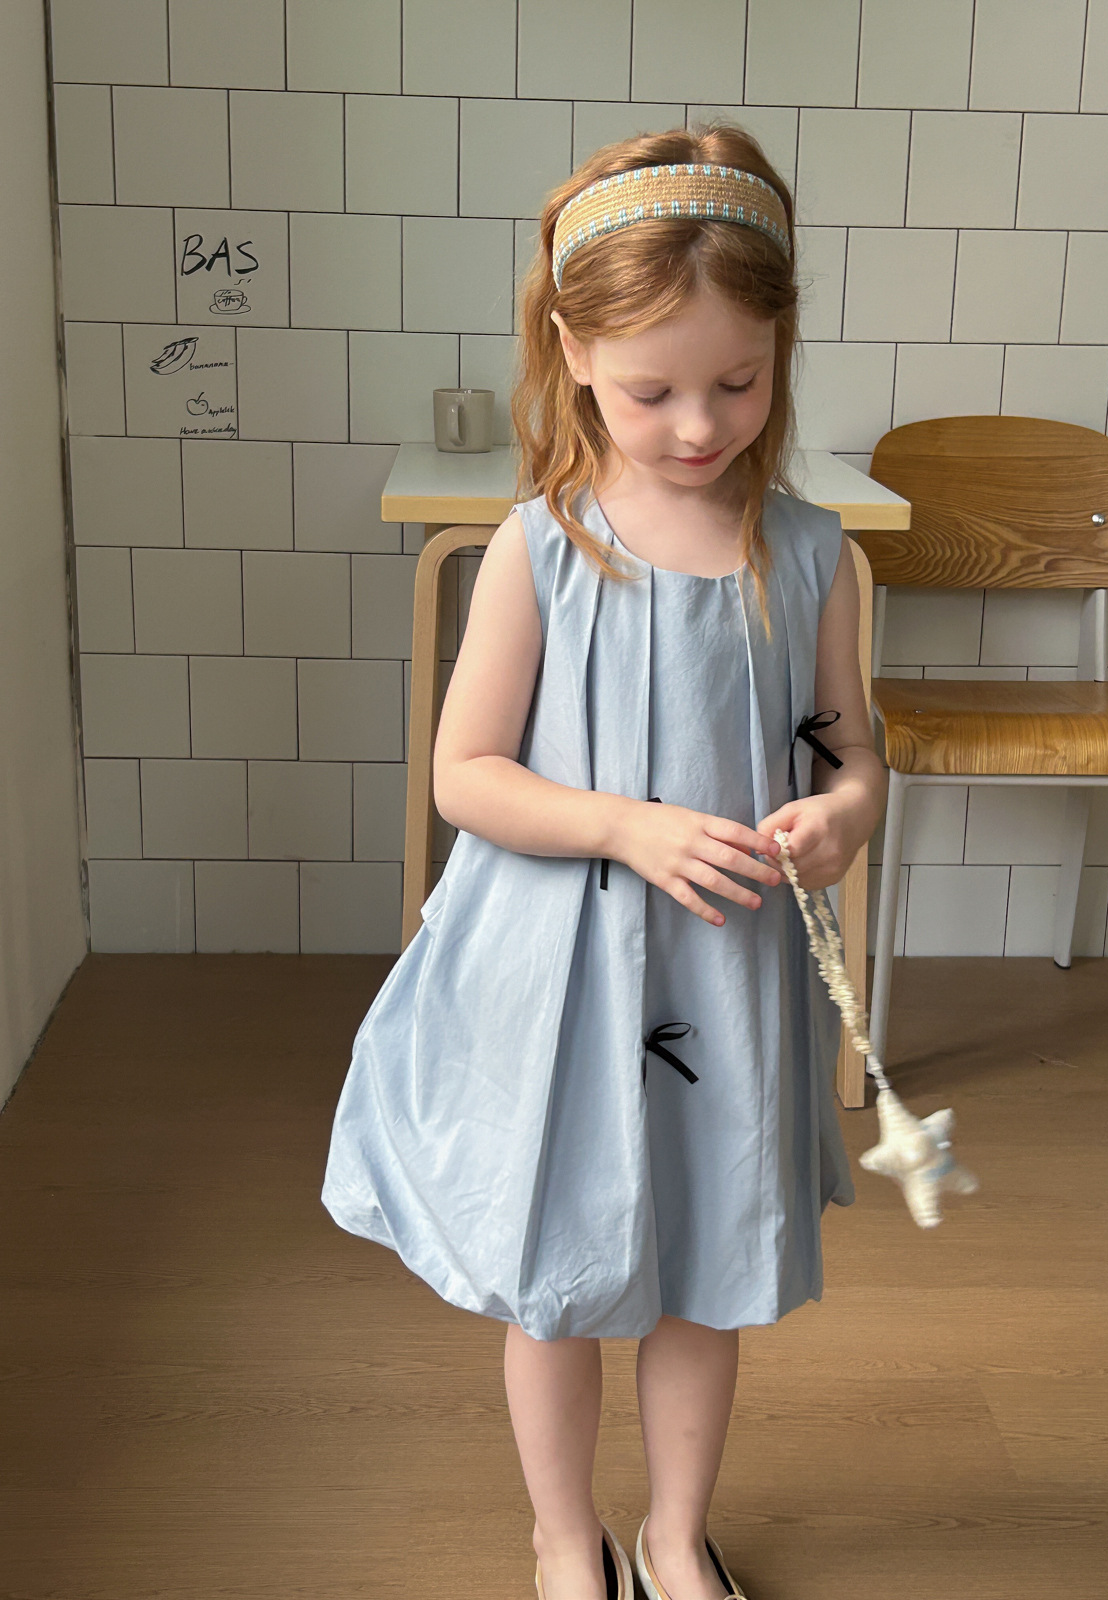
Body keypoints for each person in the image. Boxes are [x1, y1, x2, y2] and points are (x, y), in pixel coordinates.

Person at [322, 123, 887, 1600]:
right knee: (561, 1273)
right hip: (563, 979)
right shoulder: (541, 548)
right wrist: (627, 824)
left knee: (710, 1268)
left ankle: (673, 1533)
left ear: (779, 352)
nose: (699, 425)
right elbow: (465, 775)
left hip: (722, 974)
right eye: (653, 390)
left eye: (737, 383)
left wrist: (843, 814)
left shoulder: (814, 555)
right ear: (574, 352)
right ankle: (563, 1533)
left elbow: (851, 754)